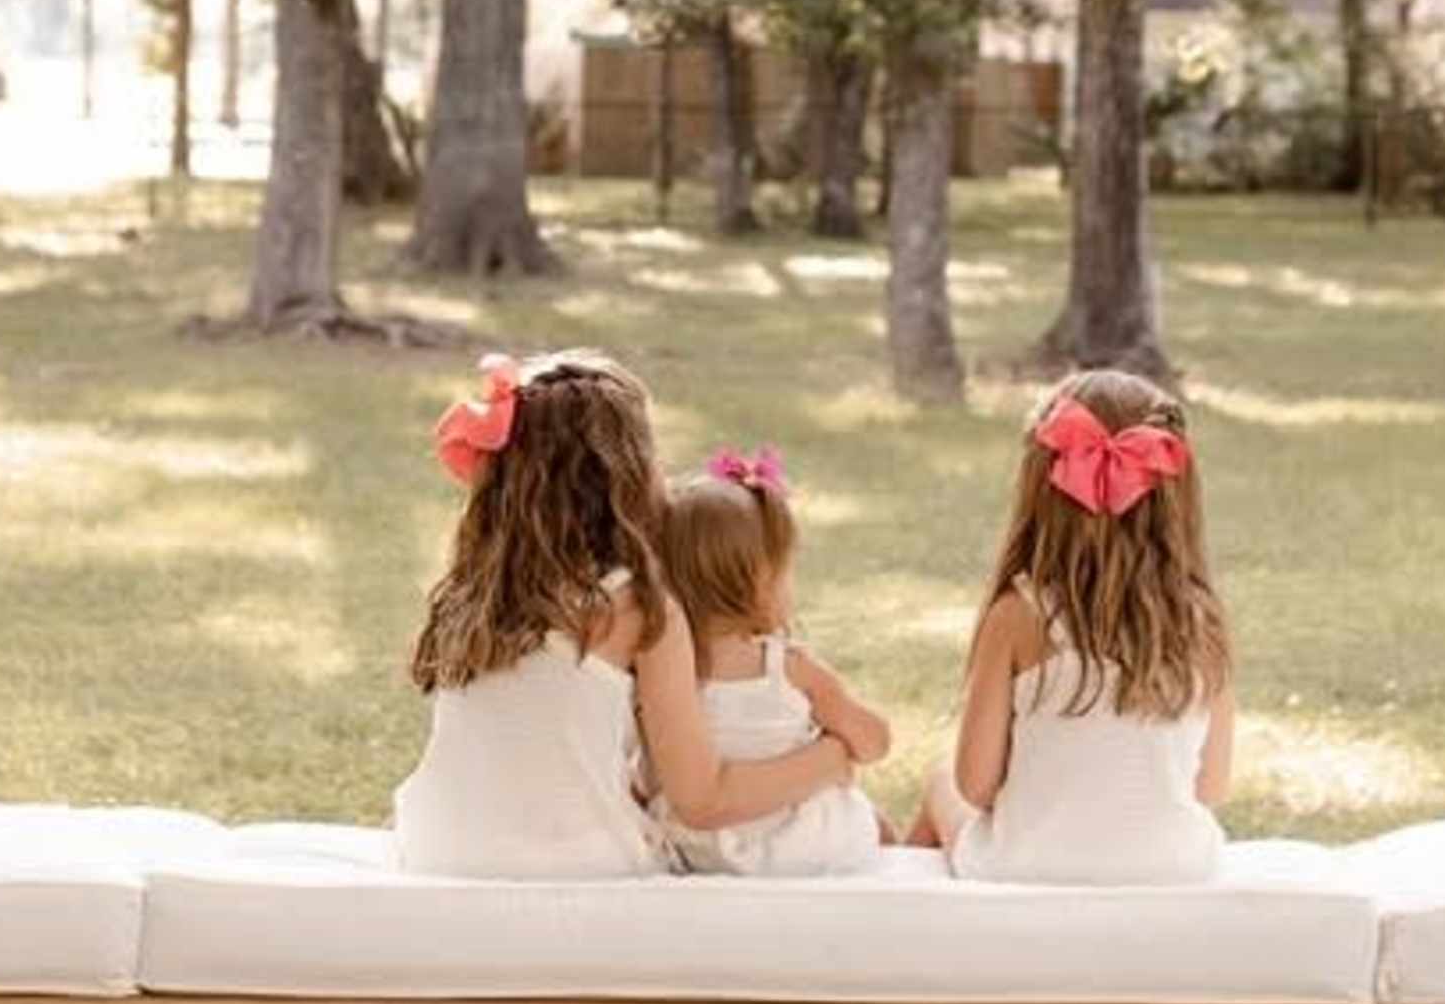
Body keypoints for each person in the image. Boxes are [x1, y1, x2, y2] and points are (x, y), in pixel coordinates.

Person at [392, 352, 861, 878]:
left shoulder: (474, 594)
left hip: (436, 846)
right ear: (625, 479)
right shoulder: (640, 608)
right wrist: (833, 759)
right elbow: (703, 801)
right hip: (576, 866)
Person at [915, 370, 1235, 884]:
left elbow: (975, 787)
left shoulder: (1016, 617)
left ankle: (916, 926)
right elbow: (1211, 787)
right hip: (1174, 867)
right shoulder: (1201, 620)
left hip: (1027, 867)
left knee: (940, 786)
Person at [650, 447, 890, 874]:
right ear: (758, 583)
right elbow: (873, 743)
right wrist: (842, 748)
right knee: (870, 817)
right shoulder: (789, 668)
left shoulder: (662, 676)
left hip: (703, 853)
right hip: (803, 849)